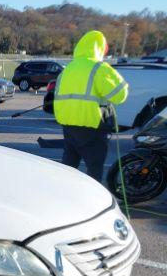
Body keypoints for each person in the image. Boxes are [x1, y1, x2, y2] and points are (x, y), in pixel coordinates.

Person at [54, 30, 128, 182]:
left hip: (68, 126)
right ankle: (92, 202)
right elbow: (120, 95)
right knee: (94, 168)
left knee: (68, 166)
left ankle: (63, 195)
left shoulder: (68, 69)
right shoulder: (99, 68)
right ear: (100, 48)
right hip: (92, 126)